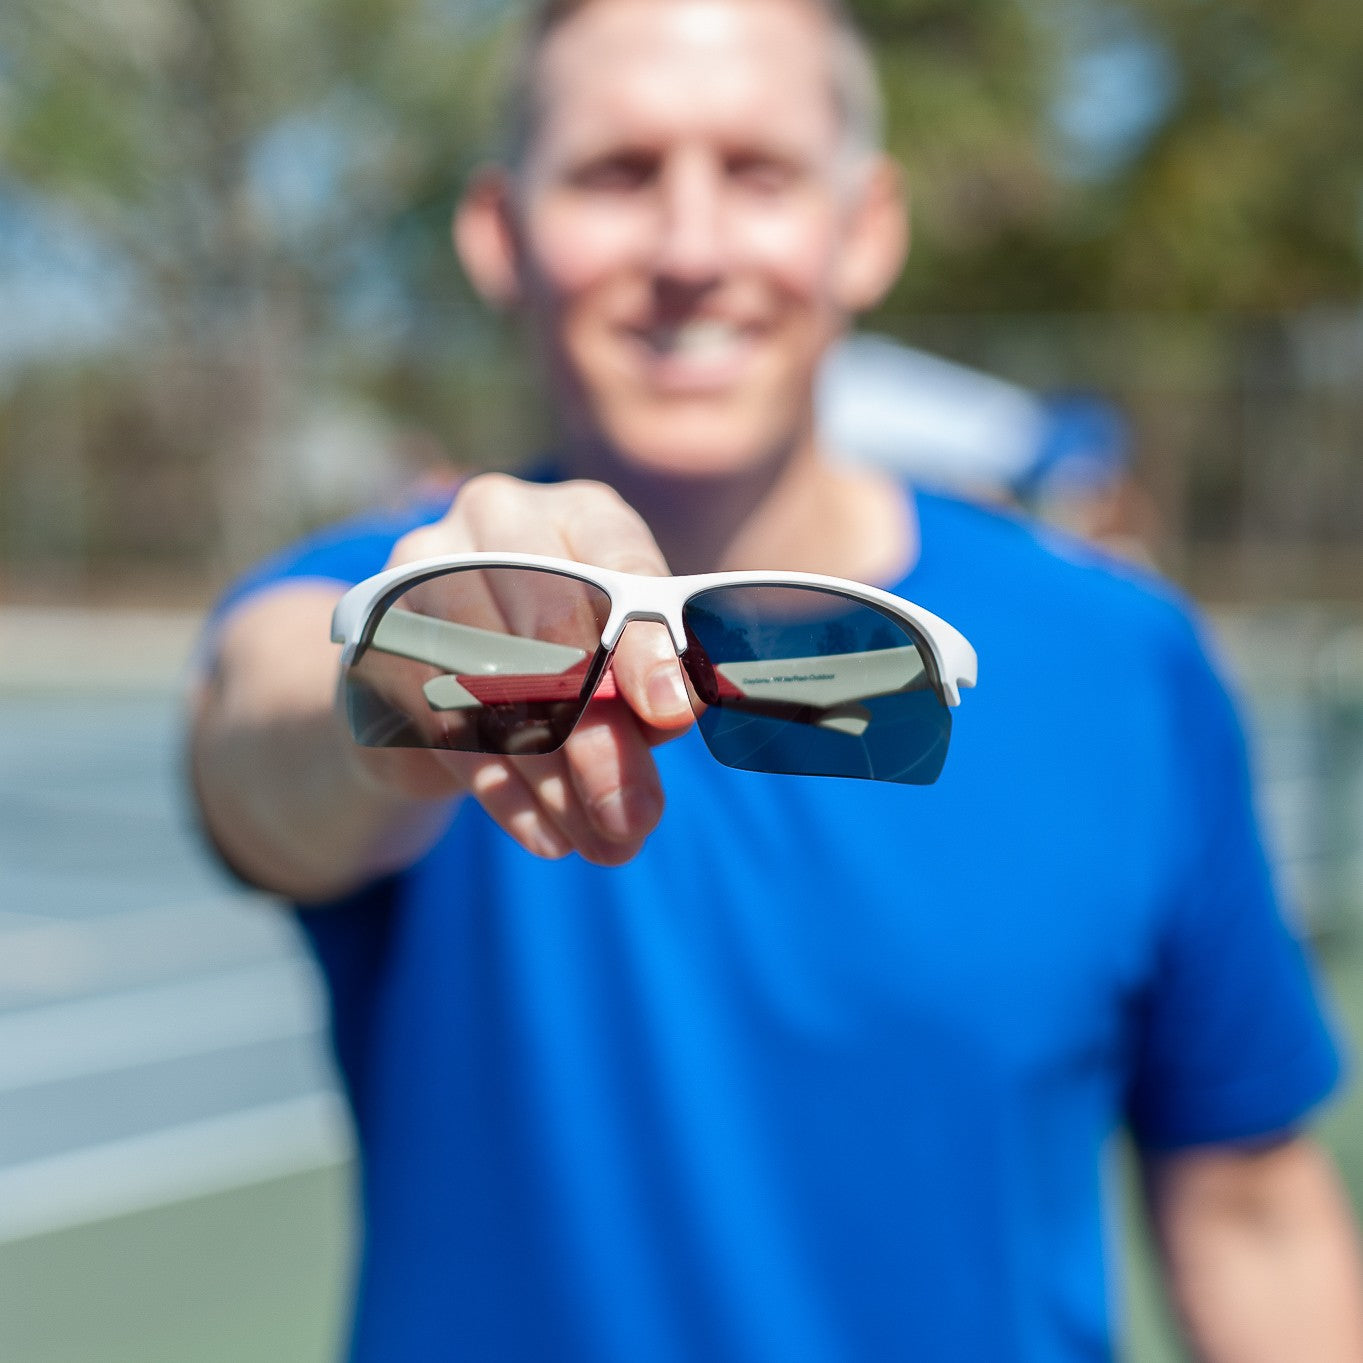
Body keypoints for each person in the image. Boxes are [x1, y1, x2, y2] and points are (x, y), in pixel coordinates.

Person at [189, 0, 1363, 1358]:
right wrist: (406, 695)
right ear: (498, 234)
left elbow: (1250, 1203)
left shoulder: (1121, 656)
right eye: (617, 174)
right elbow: (259, 729)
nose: (691, 249)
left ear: (866, 227)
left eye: (758, 174)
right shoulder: (406, 602)